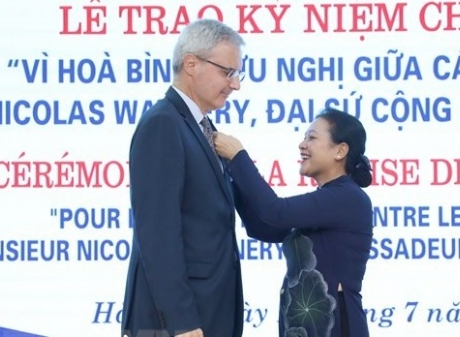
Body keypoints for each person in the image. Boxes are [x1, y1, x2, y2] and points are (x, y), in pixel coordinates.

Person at [121, 19, 246, 337]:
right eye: (227, 72)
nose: (235, 85)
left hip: (207, 312)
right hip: (178, 323)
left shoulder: (200, 129)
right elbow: (158, 234)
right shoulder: (163, 124)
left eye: (236, 74)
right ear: (192, 64)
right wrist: (180, 320)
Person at [214, 108, 373, 337]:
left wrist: (238, 156)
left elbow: (274, 212)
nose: (302, 144)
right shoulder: (327, 202)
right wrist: (231, 174)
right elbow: (264, 227)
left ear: (340, 150)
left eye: (312, 137)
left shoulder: (347, 197)